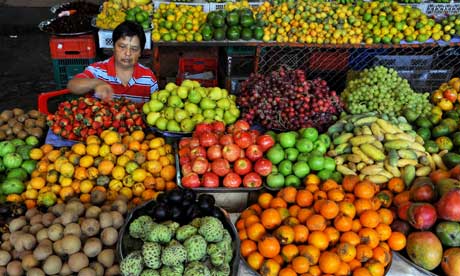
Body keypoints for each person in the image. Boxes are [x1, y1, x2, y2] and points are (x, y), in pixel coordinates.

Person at [67, 21, 158, 103]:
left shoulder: (149, 78)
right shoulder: (97, 71)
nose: (127, 53)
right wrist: (96, 83)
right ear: (113, 47)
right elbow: (73, 85)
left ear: (140, 53)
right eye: (122, 46)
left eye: (134, 49)